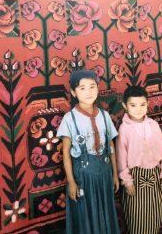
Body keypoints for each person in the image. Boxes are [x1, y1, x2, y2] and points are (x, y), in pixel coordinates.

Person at [56, 69, 120, 234]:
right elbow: (66, 154)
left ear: (98, 89)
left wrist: (114, 174)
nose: (88, 92)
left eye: (92, 87)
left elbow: (111, 147)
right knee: (86, 214)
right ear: (73, 92)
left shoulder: (105, 116)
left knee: (105, 211)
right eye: (82, 88)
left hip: (104, 173)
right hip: (83, 176)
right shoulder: (70, 119)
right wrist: (71, 181)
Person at [116, 86, 162, 234]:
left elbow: (161, 150)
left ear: (147, 104)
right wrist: (127, 181)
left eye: (142, 104)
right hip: (136, 178)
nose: (138, 109)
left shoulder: (153, 125)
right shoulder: (124, 129)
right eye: (133, 105)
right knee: (138, 218)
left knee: (155, 213)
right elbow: (121, 158)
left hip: (155, 175)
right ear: (125, 106)